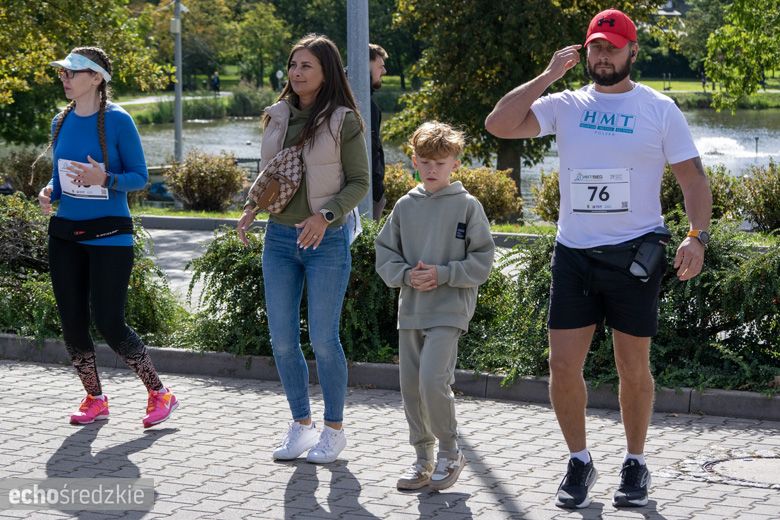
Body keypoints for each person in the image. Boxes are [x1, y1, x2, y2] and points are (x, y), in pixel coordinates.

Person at [485, 8, 712, 509]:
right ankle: (579, 461)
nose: (603, 55)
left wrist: (696, 237)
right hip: (574, 256)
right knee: (562, 364)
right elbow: (498, 124)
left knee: (633, 367)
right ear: (584, 51)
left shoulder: (658, 108)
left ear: (633, 51)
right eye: (595, 47)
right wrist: (548, 75)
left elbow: (694, 180)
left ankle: (635, 462)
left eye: (612, 47)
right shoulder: (565, 104)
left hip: (634, 256)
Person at [236, 34, 369, 464]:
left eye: (306, 65)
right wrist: (252, 208)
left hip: (325, 240)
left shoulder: (343, 120)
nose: (296, 72)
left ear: (326, 72)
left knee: (324, 340)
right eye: (293, 65)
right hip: (279, 239)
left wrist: (324, 216)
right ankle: (301, 424)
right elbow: (273, 175)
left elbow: (360, 182)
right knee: (281, 339)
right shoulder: (276, 116)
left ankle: (334, 430)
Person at [38, 47, 179, 428]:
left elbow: (139, 177)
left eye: (72, 72)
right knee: (72, 322)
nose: (65, 78)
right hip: (66, 234)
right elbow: (61, 174)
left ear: (96, 78)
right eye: (63, 72)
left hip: (110, 235)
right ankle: (94, 398)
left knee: (109, 321)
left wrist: (106, 179)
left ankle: (160, 393)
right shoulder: (60, 121)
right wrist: (50, 191)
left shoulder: (118, 120)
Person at [375, 122, 495, 491]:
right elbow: (385, 254)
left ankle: (450, 452)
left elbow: (483, 261)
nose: (431, 169)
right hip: (411, 309)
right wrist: (405, 275)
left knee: (432, 380)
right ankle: (422, 459)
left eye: (440, 163)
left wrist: (443, 274)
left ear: (455, 164)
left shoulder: (468, 206)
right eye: (425, 162)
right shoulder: (404, 206)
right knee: (411, 387)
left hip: (449, 309)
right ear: (414, 161)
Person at [369, 43, 388, 221]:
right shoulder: (364, 103)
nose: (384, 71)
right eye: (380, 66)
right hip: (366, 190)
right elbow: (371, 148)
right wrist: (376, 189)